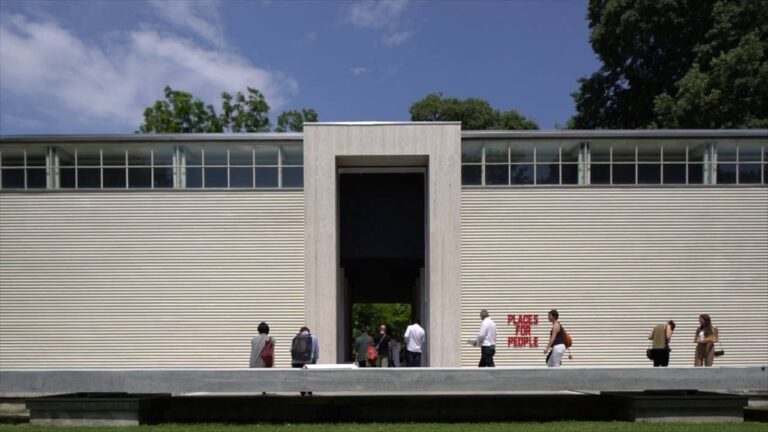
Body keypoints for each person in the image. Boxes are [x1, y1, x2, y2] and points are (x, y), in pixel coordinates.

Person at [291, 326, 319, 395]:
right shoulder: (313, 337)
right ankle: (309, 390)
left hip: (296, 361)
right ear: (308, 331)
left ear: (300, 331)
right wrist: (315, 359)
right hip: (309, 360)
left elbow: (291, 350)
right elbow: (316, 351)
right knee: (310, 374)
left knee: (299, 375)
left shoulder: (296, 337)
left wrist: (294, 360)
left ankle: (302, 390)